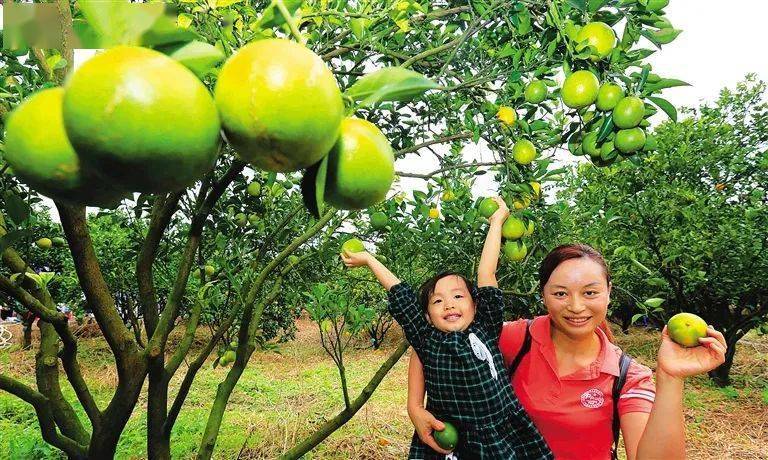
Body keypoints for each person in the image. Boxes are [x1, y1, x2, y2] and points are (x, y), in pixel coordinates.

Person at [408, 243, 728, 459]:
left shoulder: (628, 376)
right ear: (544, 295)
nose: (576, 307)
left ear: (608, 293)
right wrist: (414, 405)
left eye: (590, 292)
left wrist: (670, 377)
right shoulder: (517, 340)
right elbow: (436, 343)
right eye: (561, 293)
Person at [342, 197, 552, 459]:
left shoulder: (485, 327)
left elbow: (487, 273)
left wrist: (496, 222)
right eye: (437, 301)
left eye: (458, 296)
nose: (448, 305)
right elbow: (400, 294)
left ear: (475, 305)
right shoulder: (426, 339)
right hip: (450, 441)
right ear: (428, 315)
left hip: (499, 436)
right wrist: (370, 260)